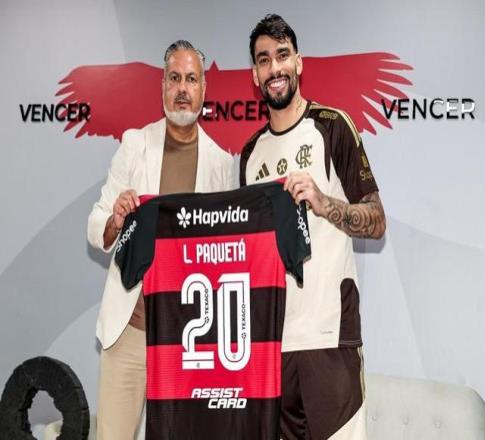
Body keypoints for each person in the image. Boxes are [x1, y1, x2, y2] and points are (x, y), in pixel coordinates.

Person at [240, 15, 386, 440]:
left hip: (329, 335)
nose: (274, 68)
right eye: (264, 60)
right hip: (275, 344)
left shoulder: (332, 126)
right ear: (254, 75)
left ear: (299, 62)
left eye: (282, 55)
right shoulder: (250, 153)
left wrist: (323, 204)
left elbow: (376, 221)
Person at [87, 40, 234, 440]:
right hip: (129, 335)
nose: (182, 88)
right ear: (163, 86)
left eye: (191, 79)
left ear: (203, 89)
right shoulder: (134, 144)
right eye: (174, 78)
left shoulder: (222, 164)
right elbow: (96, 224)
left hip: (188, 341)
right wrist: (115, 220)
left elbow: (225, 256)